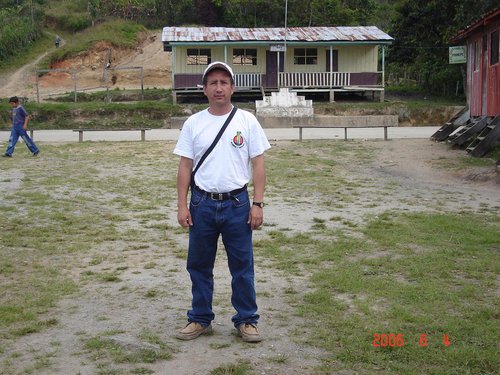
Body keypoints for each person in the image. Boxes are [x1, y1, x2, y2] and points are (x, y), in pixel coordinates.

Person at [174, 62, 270, 343]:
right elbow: (184, 167)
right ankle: (200, 318)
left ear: (232, 88)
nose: (218, 87)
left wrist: (258, 203)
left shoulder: (247, 121)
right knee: (199, 265)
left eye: (224, 82)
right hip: (202, 204)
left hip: (238, 204)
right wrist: (182, 205)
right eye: (213, 82)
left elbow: (259, 163)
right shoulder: (193, 123)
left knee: (242, 266)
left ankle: (246, 320)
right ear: (204, 89)